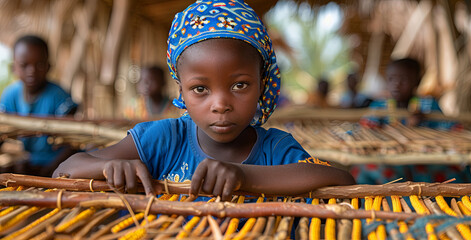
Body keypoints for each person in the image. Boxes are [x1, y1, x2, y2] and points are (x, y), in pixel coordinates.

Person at [53, 0, 355, 200]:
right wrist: (107, 168)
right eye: (201, 89)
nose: (220, 104)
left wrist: (243, 175)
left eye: (239, 85)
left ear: (262, 85)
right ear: (180, 90)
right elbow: (65, 169)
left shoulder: (275, 148)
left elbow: (339, 178)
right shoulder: (163, 140)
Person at [352, 57, 471, 184]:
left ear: (417, 81)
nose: (396, 84)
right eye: (391, 79)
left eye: (403, 79)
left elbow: (453, 130)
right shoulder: (379, 107)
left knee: (454, 171)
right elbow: (364, 132)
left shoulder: (428, 105)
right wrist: (405, 128)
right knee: (365, 169)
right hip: (390, 161)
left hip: (425, 161)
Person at [0, 35, 78, 177]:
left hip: (61, 163)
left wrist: (53, 168)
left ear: (48, 66)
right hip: (32, 161)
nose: (32, 71)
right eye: (24, 65)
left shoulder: (59, 97)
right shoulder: (10, 96)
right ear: (14, 68)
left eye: (39, 65)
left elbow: (72, 143)